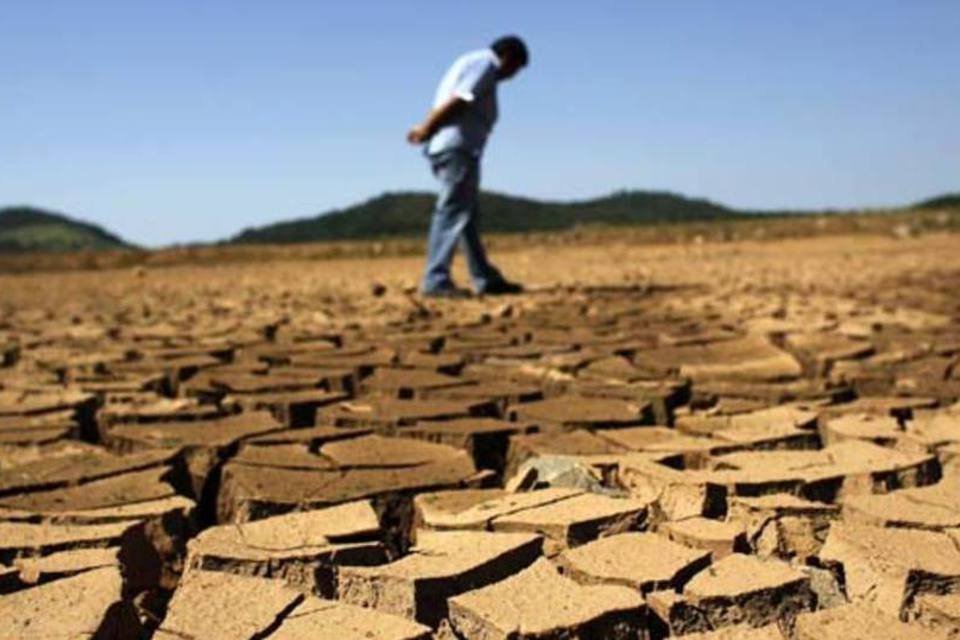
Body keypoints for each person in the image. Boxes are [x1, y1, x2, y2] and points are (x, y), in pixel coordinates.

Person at [407, 35, 529, 297]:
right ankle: (435, 279)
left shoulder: (470, 62)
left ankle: (485, 277)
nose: (512, 76)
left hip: (452, 147)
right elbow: (461, 99)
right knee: (451, 212)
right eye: (515, 69)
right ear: (508, 57)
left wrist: (428, 128)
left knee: (466, 216)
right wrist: (427, 128)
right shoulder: (485, 64)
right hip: (457, 148)